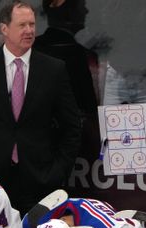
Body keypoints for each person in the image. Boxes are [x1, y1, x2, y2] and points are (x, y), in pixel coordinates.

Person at [0, 1, 81, 214]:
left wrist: (57, 171)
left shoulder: (53, 70)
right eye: (22, 25)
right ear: (4, 29)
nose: (29, 31)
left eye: (32, 24)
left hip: (40, 182)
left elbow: (72, 127)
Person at [33, 0, 99, 164]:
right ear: (68, 12)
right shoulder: (77, 55)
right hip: (65, 148)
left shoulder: (32, 49)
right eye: (81, 5)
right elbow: (88, 105)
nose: (86, 11)